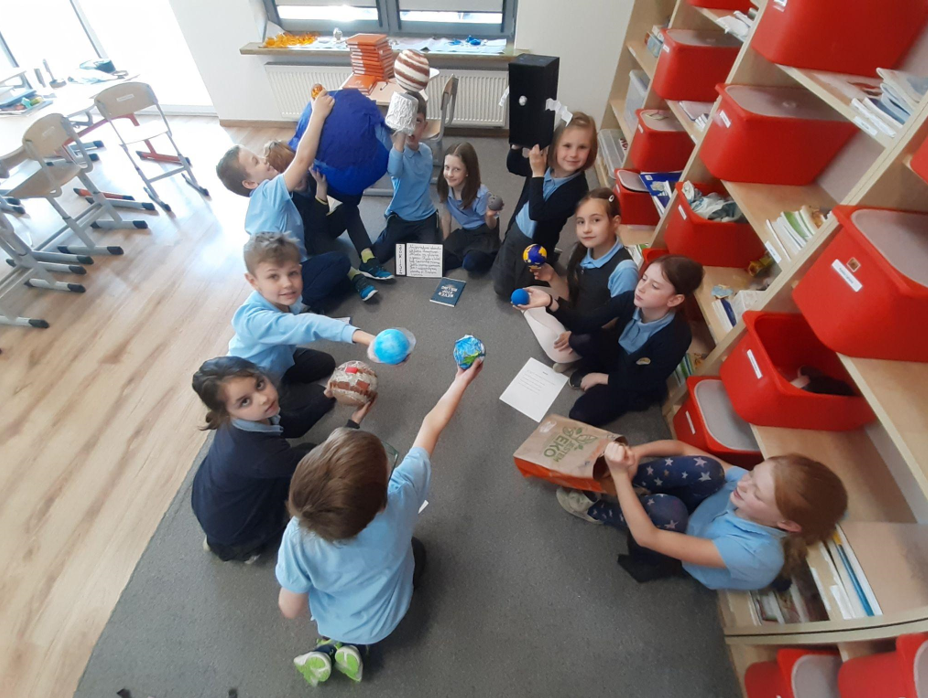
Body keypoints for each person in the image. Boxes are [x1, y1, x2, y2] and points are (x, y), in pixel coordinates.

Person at [275, 359, 484, 686]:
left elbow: (289, 608)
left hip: (332, 620)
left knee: (337, 609)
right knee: (419, 552)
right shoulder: (402, 495)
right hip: (384, 622)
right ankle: (357, 647)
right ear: (382, 494)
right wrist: (461, 380)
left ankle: (329, 646)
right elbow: (431, 426)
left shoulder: (298, 533)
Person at [557, 439, 848, 591]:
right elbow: (683, 448)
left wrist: (621, 475)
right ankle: (624, 484)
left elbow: (649, 537)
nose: (744, 483)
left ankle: (599, 508)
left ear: (785, 524)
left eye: (757, 493)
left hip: (683, 548)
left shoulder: (755, 554)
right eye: (752, 474)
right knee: (709, 469)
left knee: (665, 511)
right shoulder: (750, 487)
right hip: (702, 514)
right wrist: (636, 454)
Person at [190, 356, 376, 563]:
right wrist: (353, 424)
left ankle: (221, 538)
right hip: (237, 529)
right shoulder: (261, 454)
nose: (263, 398)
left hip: (217, 501)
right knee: (317, 489)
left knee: (306, 451)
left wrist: (327, 395)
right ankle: (238, 549)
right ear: (226, 413)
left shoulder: (250, 418)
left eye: (259, 384)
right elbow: (321, 464)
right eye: (245, 401)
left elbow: (295, 426)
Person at [215, 88, 379, 306]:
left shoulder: (258, 206)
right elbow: (301, 159)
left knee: (333, 262)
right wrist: (317, 115)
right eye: (256, 161)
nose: (264, 160)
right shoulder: (268, 193)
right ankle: (307, 300)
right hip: (293, 280)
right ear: (250, 183)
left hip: (283, 274)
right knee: (338, 261)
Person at [520, 254, 703, 426]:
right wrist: (550, 302)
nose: (641, 287)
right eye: (644, 278)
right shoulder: (630, 299)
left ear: (674, 300)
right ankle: (594, 371)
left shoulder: (677, 336)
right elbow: (585, 323)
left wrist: (602, 378)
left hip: (635, 378)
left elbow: (646, 381)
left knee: (580, 414)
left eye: (654, 286)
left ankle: (603, 381)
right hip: (617, 354)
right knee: (579, 338)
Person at [227, 233, 376, 437]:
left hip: (280, 358)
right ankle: (282, 391)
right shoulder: (252, 320)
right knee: (318, 402)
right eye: (274, 277)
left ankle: (288, 378)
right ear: (253, 281)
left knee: (326, 364)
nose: (287, 284)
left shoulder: (285, 297)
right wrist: (368, 339)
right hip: (259, 380)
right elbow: (307, 324)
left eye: (293, 273)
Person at [514, 188, 637, 364]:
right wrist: (551, 276)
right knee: (530, 292)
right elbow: (573, 294)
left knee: (561, 350)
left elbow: (613, 321)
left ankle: (575, 353)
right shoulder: (582, 250)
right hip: (577, 313)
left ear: (615, 222)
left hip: (596, 330)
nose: (586, 229)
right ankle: (567, 337)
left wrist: (575, 331)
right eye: (580, 222)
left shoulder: (624, 270)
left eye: (596, 220)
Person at [491, 113, 598, 298]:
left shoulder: (578, 190)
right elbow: (514, 166)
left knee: (517, 288)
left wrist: (538, 174)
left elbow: (537, 212)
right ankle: (545, 259)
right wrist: (517, 144)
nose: (573, 154)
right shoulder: (546, 163)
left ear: (591, 150)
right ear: (555, 145)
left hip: (536, 243)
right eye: (567, 146)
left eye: (582, 147)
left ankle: (548, 260)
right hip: (517, 228)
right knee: (501, 280)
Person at [263, 139, 394, 282]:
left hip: (323, 225)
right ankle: (352, 274)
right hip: (310, 238)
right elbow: (315, 224)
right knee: (318, 238)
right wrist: (321, 190)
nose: (298, 178)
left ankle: (368, 259)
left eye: (296, 170)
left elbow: (344, 202)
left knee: (348, 209)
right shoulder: (287, 198)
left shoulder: (312, 176)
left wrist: (349, 178)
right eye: (288, 175)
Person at [370, 92, 440, 263]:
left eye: (417, 121)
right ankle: (403, 236)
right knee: (378, 256)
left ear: (425, 126)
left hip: (425, 216)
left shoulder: (427, 152)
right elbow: (394, 171)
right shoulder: (397, 154)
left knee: (431, 261)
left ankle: (411, 237)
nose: (411, 128)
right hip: (400, 217)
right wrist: (402, 131)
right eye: (408, 122)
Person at [437, 142, 501, 273]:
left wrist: (489, 215)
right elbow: (446, 217)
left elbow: (492, 226)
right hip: (467, 231)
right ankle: (466, 253)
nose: (449, 174)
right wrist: (446, 244)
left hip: (484, 232)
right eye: (447, 167)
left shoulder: (480, 194)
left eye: (456, 169)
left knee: (471, 265)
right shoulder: (445, 186)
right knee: (439, 259)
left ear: (467, 172)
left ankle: (493, 252)